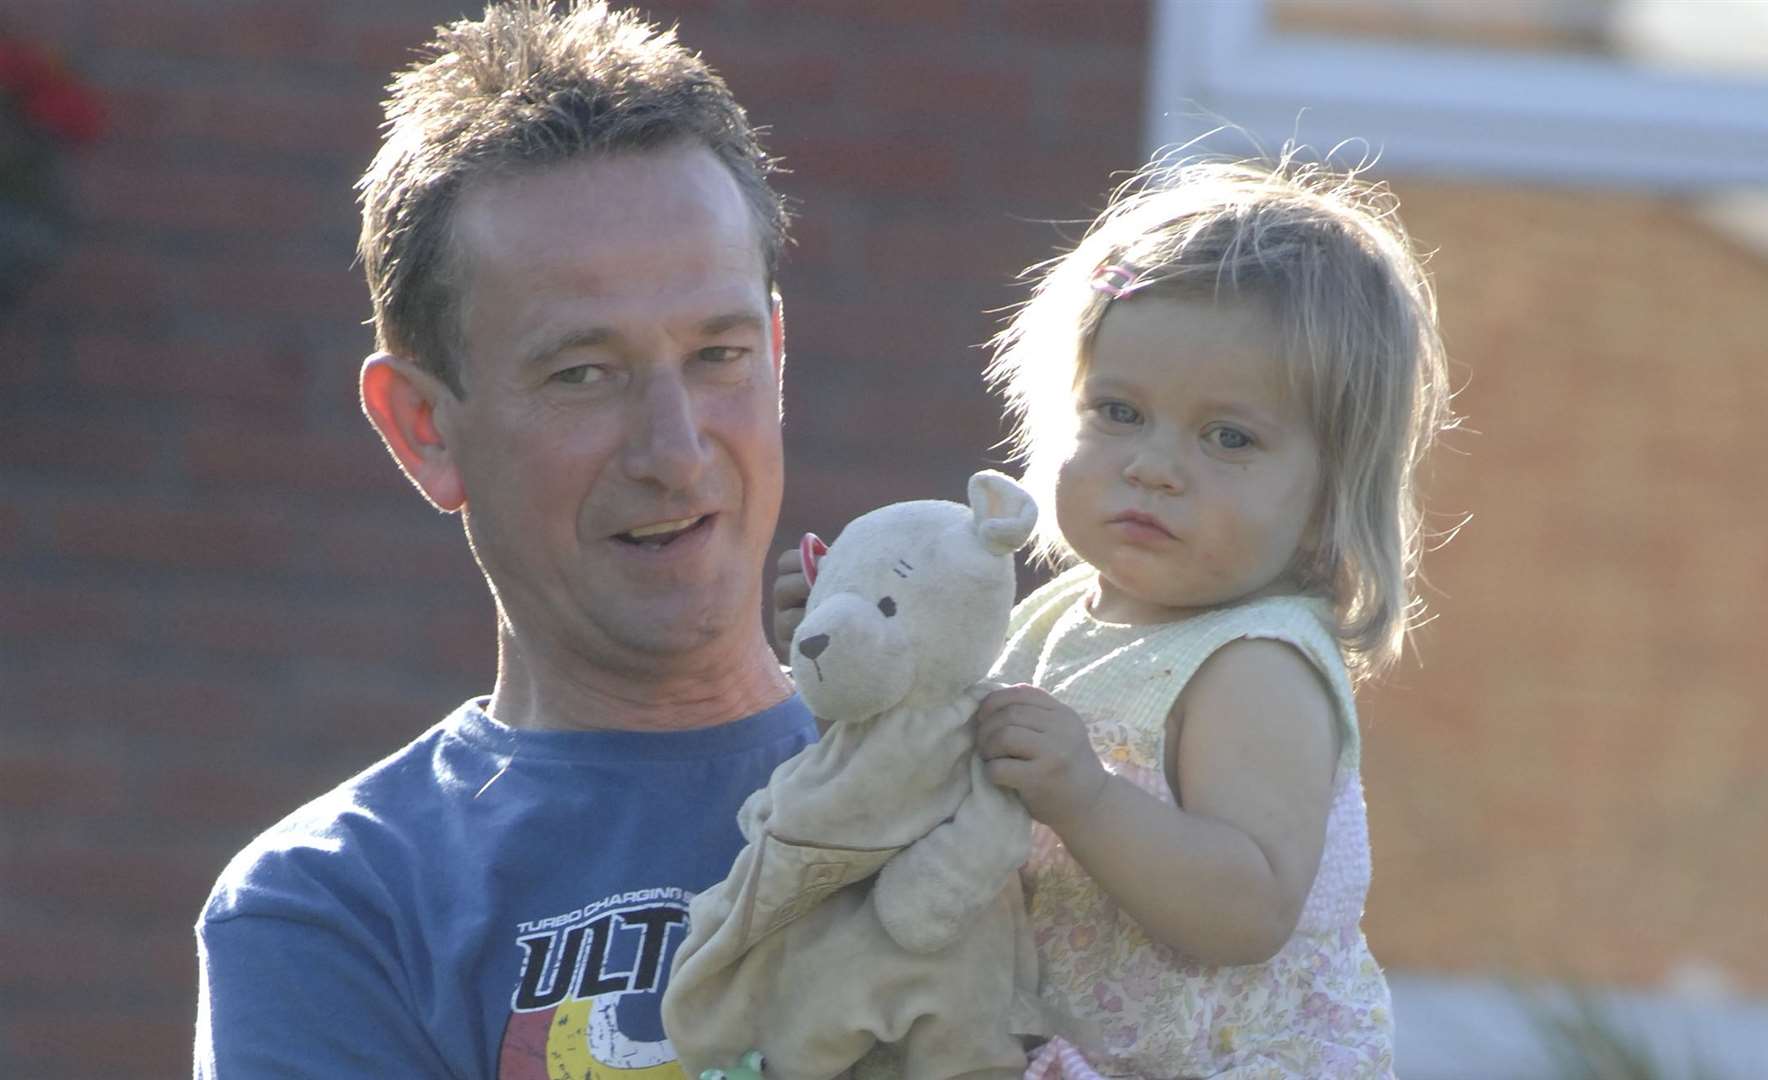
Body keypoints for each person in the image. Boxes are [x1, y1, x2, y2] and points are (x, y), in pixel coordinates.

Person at [194, 3, 817, 1077]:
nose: (673, 451)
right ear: (424, 429)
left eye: (717, 355)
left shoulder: (1018, 786)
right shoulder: (336, 906)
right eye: (583, 373)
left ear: (775, 353)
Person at [775, 153, 1454, 1078]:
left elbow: (1249, 907)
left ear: (1331, 491)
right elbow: (928, 773)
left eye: (1229, 437)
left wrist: (1087, 796)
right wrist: (848, 668)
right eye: (1121, 411)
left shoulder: (1254, 662)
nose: (1155, 466)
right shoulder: (1049, 617)